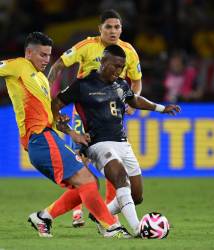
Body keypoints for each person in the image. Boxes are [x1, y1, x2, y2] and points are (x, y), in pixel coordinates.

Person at [0, 32, 130, 238]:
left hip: (48, 136)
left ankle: (44, 217)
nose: (46, 60)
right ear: (28, 53)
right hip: (39, 138)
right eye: (42, 55)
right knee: (86, 180)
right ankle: (110, 226)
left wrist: (72, 133)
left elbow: (49, 116)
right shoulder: (17, 65)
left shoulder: (41, 79)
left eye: (49, 55)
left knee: (89, 182)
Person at [52, 44, 181, 236]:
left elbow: (134, 100)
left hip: (122, 142)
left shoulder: (121, 84)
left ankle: (102, 215)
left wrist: (162, 108)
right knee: (120, 178)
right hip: (97, 144)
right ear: (103, 62)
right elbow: (56, 104)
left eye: (122, 67)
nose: (119, 71)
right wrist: (65, 126)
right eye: (115, 66)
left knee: (136, 196)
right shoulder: (83, 84)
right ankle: (137, 228)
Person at [48, 9, 143, 227]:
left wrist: (133, 101)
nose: (113, 30)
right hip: (85, 111)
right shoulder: (86, 46)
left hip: (111, 112)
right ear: (99, 29)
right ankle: (78, 210)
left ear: (121, 29)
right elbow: (60, 65)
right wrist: (47, 92)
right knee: (82, 160)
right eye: (108, 27)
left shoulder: (128, 51)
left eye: (117, 27)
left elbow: (136, 80)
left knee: (114, 163)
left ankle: (108, 211)